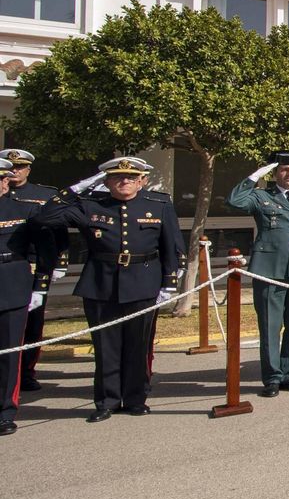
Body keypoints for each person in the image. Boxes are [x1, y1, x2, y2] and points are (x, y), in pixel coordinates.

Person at [36, 157, 182, 422]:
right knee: (105, 347)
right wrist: (76, 189)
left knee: (138, 345)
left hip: (143, 281)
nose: (124, 181)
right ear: (106, 181)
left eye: (131, 177)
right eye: (117, 177)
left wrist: (169, 281)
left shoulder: (158, 204)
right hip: (101, 283)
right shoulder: (90, 204)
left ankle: (136, 399)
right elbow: (45, 218)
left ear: (141, 181)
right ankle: (107, 401)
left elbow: (171, 242)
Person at [227, 152, 289, 397]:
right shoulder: (261, 196)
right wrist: (255, 176)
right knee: (270, 326)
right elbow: (235, 201)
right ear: (275, 173)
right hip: (269, 270)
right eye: (283, 169)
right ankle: (272, 377)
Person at [0, 148, 67, 394]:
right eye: (11, 168)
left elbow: (56, 232)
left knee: (32, 323)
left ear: (28, 169)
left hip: (29, 265)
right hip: (10, 265)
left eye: (20, 167)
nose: (15, 171)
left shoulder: (43, 195)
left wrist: (58, 263)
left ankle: (26, 371)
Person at [0, 157, 51, 436]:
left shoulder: (25, 210)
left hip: (11, 284)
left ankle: (5, 411)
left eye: (1, 179)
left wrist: (40, 286)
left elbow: (45, 250)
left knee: (9, 353)